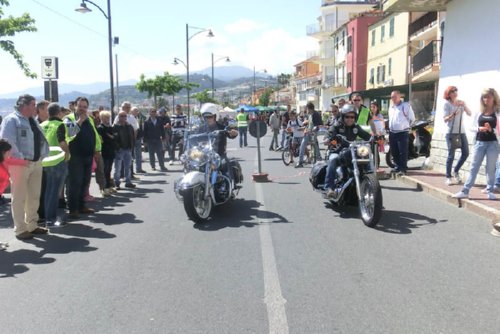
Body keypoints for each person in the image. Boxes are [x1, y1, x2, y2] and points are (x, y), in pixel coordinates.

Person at [0, 94, 50, 240]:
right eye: (34, 104)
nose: (36, 107)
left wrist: (41, 156)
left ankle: (32, 224)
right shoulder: (12, 120)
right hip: (20, 164)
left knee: (34, 195)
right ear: (25, 105)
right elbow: (7, 142)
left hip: (35, 162)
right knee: (19, 197)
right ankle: (20, 229)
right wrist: (22, 158)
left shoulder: (32, 121)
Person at [454, 88, 500, 200]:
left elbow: (499, 130)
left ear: (494, 98)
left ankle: (489, 191)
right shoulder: (479, 112)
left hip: (493, 144)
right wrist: (480, 128)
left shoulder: (498, 113)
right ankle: (465, 191)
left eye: (488, 97)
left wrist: (491, 130)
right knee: (474, 167)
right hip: (480, 143)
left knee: (490, 168)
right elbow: (472, 127)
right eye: (484, 97)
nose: (486, 99)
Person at [323, 104, 371, 197]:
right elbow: (328, 136)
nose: (350, 119)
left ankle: (367, 182)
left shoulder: (356, 127)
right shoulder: (336, 126)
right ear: (343, 116)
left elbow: (367, 136)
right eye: (347, 117)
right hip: (337, 151)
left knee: (364, 158)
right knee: (333, 160)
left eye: (352, 117)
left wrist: (376, 137)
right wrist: (328, 140)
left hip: (351, 152)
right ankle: (329, 188)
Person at [63, 96, 100, 219]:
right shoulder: (69, 118)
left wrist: (97, 149)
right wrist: (80, 121)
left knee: (85, 182)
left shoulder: (89, 119)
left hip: (88, 155)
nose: (82, 109)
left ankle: (81, 206)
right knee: (75, 183)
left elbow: (94, 134)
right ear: (75, 106)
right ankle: (73, 208)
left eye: (85, 107)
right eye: (80, 106)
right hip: (75, 156)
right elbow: (70, 133)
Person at [40, 103, 69, 228]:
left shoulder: (42, 125)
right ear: (59, 113)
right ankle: (50, 219)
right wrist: (67, 153)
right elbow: (62, 141)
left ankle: (47, 217)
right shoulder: (60, 124)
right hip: (58, 160)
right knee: (54, 191)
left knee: (48, 191)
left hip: (45, 161)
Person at [443, 86, 472, 185]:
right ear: (448, 94)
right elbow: (445, 119)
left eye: (456, 90)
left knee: (466, 153)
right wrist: (453, 114)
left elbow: (469, 113)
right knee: (451, 155)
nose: (455, 92)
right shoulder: (447, 104)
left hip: (461, 132)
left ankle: (455, 170)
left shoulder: (460, 102)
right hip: (451, 133)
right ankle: (448, 177)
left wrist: (465, 105)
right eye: (452, 91)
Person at [388, 90, 415, 175]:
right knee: (394, 151)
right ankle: (397, 167)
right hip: (392, 132)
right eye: (392, 97)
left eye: (395, 97)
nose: (393, 98)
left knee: (402, 151)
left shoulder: (405, 106)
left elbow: (412, 118)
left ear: (399, 97)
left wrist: (405, 126)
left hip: (402, 133)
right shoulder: (391, 107)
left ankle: (403, 169)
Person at [113, 111, 136, 189]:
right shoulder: (115, 127)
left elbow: (133, 137)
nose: (123, 117)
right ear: (118, 117)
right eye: (121, 116)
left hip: (128, 149)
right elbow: (114, 139)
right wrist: (117, 147)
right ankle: (117, 183)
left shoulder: (129, 126)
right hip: (119, 150)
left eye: (125, 116)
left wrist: (132, 146)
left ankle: (128, 182)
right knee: (118, 167)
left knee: (128, 166)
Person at [296, 102, 323, 168]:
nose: (306, 110)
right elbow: (310, 125)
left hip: (313, 134)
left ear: (309, 108)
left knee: (313, 146)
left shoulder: (316, 114)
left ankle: (301, 162)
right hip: (309, 133)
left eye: (307, 109)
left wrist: (311, 130)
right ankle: (301, 162)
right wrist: (304, 128)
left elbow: (318, 125)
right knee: (312, 146)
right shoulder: (310, 115)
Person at [97, 110, 116, 196]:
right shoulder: (100, 128)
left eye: (108, 117)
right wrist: (110, 136)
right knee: (104, 170)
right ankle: (104, 188)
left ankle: (109, 186)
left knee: (109, 170)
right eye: (105, 117)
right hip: (104, 151)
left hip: (111, 151)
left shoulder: (110, 127)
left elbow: (115, 137)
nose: (107, 119)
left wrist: (110, 136)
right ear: (101, 118)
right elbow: (103, 139)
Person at [131, 107, 146, 173]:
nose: (136, 112)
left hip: (138, 138)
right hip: (131, 139)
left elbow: (140, 128)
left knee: (138, 154)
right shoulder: (130, 119)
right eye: (135, 111)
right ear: (131, 112)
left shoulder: (139, 118)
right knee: (131, 155)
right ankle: (131, 171)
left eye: (137, 111)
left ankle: (139, 169)